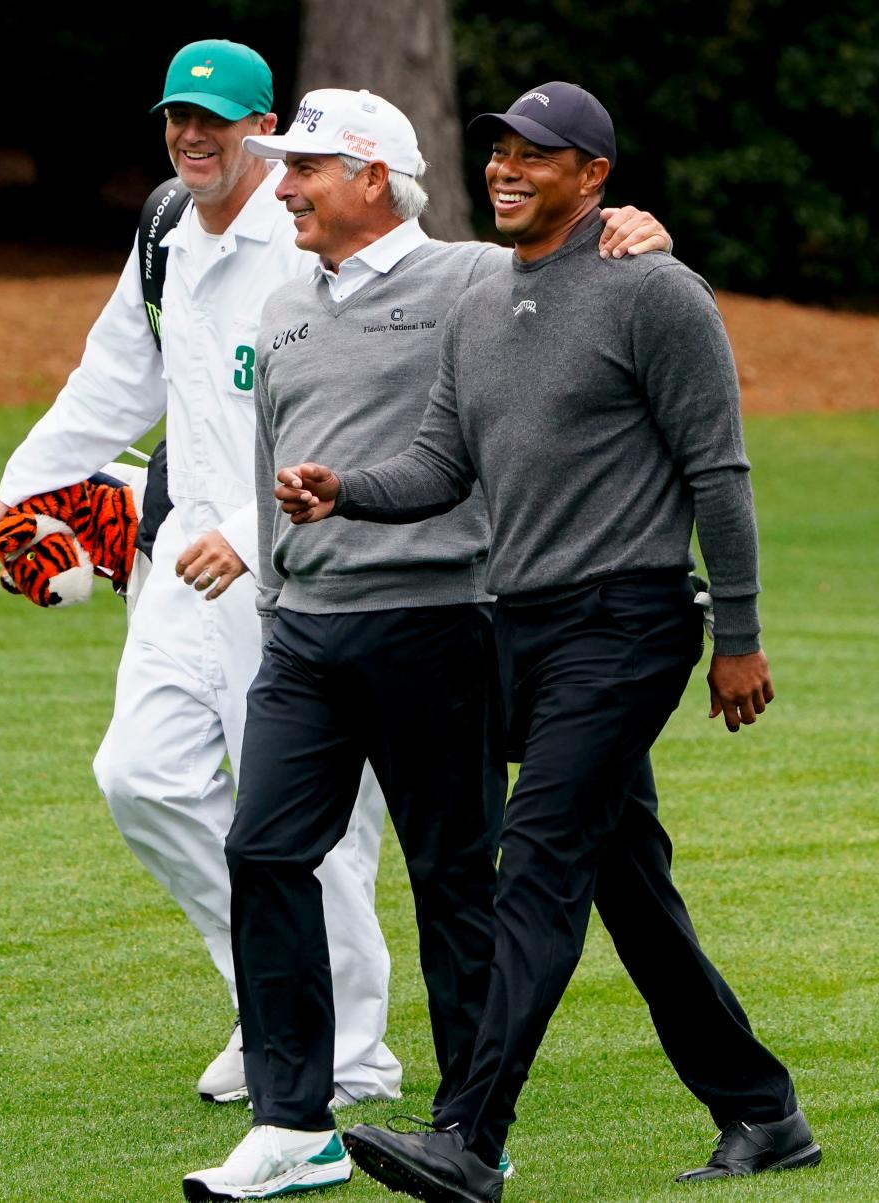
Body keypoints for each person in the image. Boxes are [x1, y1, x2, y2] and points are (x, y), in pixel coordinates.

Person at [274, 82, 821, 1199]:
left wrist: (741, 635)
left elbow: (719, 471)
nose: (509, 169)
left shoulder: (653, 291)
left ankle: (469, 1135)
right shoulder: (480, 309)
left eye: (539, 154)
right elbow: (439, 465)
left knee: (537, 860)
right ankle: (763, 1111)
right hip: (520, 630)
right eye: (499, 152)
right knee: (631, 890)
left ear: (594, 178)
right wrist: (347, 491)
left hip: (629, 623)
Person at [182, 88, 672, 1202]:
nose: (285, 184)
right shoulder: (283, 299)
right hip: (307, 632)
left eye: (304, 166)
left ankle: (466, 1132)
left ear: (372, 180)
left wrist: (638, 232)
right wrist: (273, 599)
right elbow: (275, 464)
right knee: (262, 853)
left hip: (442, 623)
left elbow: (592, 287)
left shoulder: (472, 278)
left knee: (453, 878)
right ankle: (294, 1123)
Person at [0, 39, 402, 1108]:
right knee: (142, 776)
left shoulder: (320, 233)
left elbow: (389, 406)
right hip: (180, 549)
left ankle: (348, 1054)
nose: (192, 137)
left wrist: (261, 530)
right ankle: (270, 996)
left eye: (215, 121)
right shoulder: (166, 226)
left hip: (318, 563)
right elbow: (117, 377)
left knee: (311, 821)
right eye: (178, 117)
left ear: (265, 133)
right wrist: (24, 494)